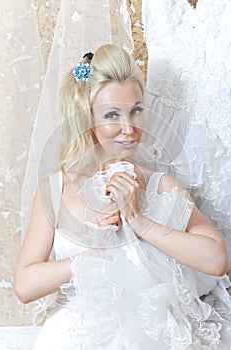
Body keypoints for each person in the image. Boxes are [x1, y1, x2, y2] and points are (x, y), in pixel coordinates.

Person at [14, 44, 231, 349]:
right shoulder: (56, 189)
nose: (128, 129)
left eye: (136, 111)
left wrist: (138, 221)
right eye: (112, 115)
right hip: (72, 335)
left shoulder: (160, 185)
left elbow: (217, 260)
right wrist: (92, 257)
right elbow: (24, 285)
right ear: (87, 117)